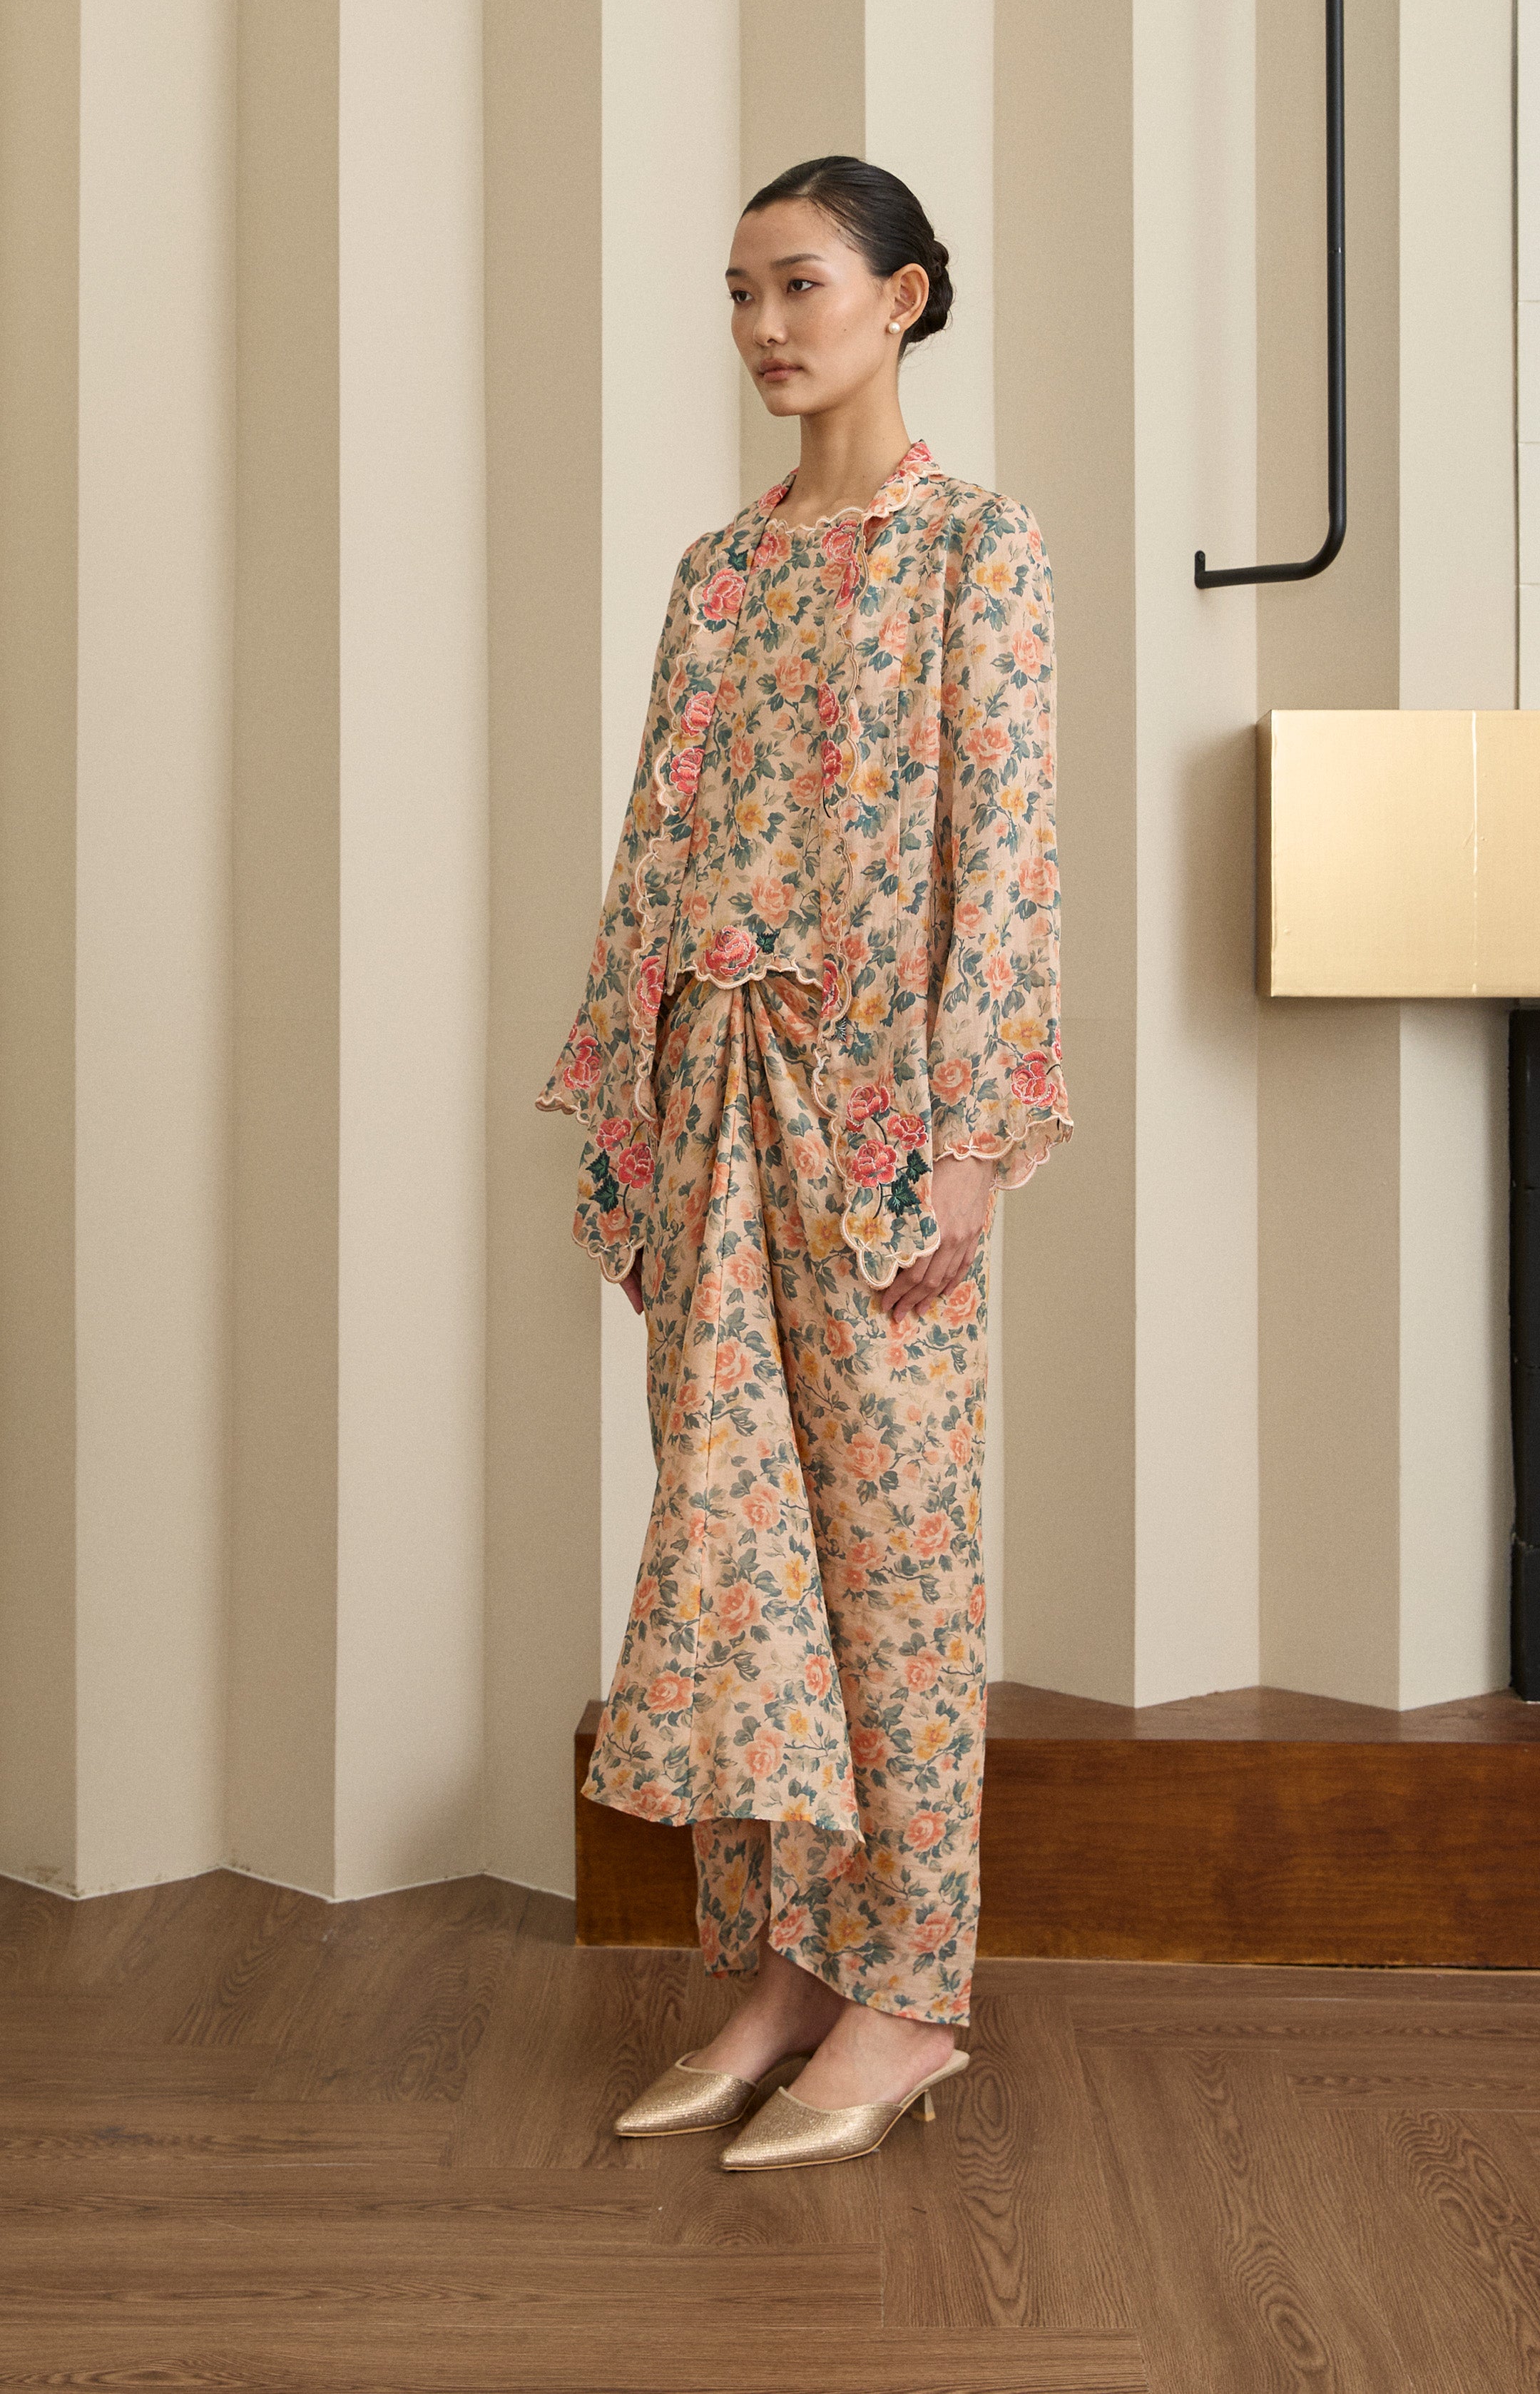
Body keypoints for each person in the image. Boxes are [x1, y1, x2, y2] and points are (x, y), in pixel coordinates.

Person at [538, 154, 1071, 2172]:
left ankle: (908, 2002)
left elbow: (1004, 854)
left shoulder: (979, 550)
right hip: (714, 1105)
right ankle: (778, 1979)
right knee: (740, 1561)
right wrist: (632, 1126)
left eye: (805, 285)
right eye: (742, 293)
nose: (766, 327)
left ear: (906, 297)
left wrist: (976, 1144)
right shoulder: (717, 572)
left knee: (893, 1569)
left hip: (879, 1128)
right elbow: (655, 848)